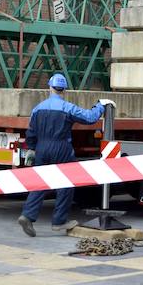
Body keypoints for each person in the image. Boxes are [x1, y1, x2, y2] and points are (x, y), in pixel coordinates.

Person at [17, 73, 113, 237]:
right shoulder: (67, 108)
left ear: (50, 87)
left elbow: (31, 132)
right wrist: (100, 106)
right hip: (61, 148)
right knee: (66, 183)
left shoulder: (37, 109)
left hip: (42, 147)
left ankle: (27, 215)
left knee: (39, 182)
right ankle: (59, 221)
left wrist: (32, 148)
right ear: (64, 90)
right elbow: (90, 118)